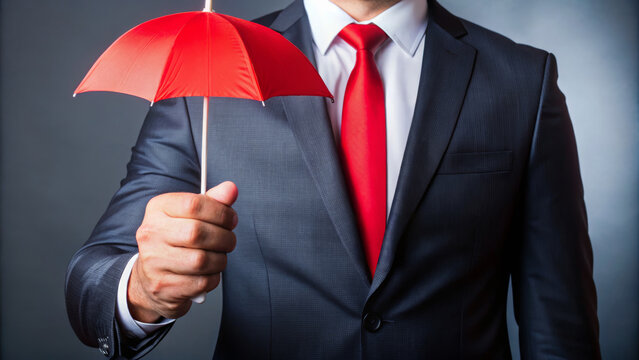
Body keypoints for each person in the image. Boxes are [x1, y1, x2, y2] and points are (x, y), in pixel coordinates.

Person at [65, 0, 601, 358]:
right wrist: (141, 287)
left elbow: (560, 323)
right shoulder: (206, 79)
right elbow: (91, 283)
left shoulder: (522, 79)